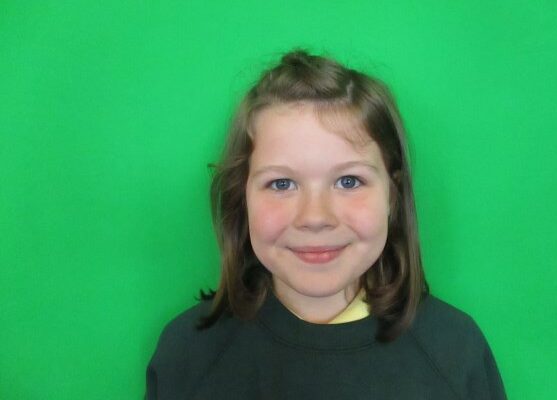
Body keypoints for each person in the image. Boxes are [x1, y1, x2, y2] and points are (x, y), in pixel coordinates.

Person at [145, 49, 507, 399]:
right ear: (242, 197)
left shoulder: (456, 353)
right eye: (281, 184)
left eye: (348, 181)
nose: (315, 218)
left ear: (392, 196)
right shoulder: (187, 354)